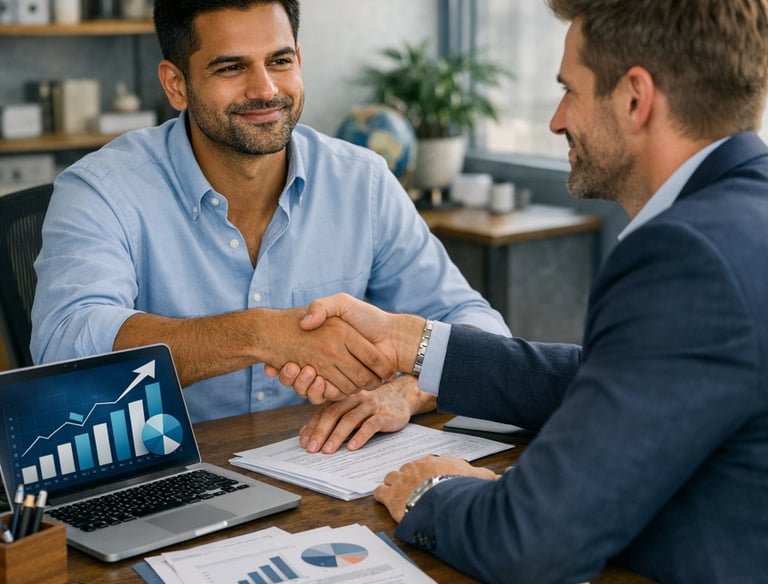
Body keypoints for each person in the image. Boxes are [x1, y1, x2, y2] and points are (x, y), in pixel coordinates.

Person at [272, 0, 768, 581]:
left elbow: (533, 544)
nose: (558, 119)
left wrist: (433, 488)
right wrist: (415, 342)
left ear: (635, 98)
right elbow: (607, 380)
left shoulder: (686, 256)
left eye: (570, 91)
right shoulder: (743, 217)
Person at [30, 0, 510, 452]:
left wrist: (407, 393)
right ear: (176, 84)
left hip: (324, 468)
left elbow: (479, 329)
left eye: (280, 61)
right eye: (231, 67)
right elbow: (64, 350)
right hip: (166, 475)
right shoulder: (101, 189)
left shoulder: (360, 180)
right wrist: (260, 333)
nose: (265, 90)